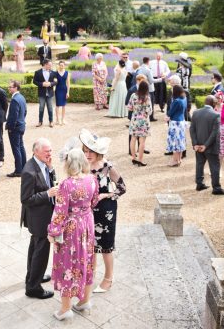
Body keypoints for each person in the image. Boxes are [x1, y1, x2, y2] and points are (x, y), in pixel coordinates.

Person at [47, 148, 98, 320]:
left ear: (68, 163)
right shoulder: (92, 179)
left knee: (67, 263)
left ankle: (65, 309)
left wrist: (52, 231)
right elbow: (94, 201)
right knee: (87, 261)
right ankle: (84, 301)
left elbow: (60, 212)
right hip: (87, 223)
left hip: (72, 227)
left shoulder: (66, 184)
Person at [79, 129, 124, 295]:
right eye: (85, 151)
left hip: (106, 211)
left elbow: (122, 188)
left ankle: (109, 278)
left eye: (91, 151)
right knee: (90, 245)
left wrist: (105, 194)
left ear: (98, 152)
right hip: (88, 211)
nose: (88, 154)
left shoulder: (107, 166)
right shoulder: (82, 166)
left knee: (106, 246)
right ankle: (91, 273)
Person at [21, 138, 58, 300]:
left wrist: (51, 169)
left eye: (50, 150)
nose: (49, 154)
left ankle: (33, 276)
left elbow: (50, 180)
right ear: (36, 151)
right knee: (41, 252)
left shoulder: (43, 164)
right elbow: (26, 199)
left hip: (43, 215)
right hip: (38, 218)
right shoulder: (29, 171)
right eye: (46, 151)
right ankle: (33, 287)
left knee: (34, 247)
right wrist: (47, 194)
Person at [190, 95, 224, 195]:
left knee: (199, 164)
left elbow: (192, 130)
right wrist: (206, 145)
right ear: (213, 103)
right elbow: (214, 133)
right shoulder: (215, 115)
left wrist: (195, 144)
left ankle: (199, 184)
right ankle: (216, 188)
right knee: (214, 166)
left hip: (198, 145)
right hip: (211, 147)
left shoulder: (196, 113)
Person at [5, 80, 28, 177]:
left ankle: (18, 170)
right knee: (21, 147)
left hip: (15, 128)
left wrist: (10, 127)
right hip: (21, 126)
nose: (9, 88)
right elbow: (25, 112)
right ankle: (24, 167)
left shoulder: (15, 99)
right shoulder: (21, 97)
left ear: (15, 88)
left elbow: (13, 116)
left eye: (10, 87)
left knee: (16, 149)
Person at [127, 81, 152, 166]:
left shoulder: (133, 96)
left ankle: (134, 158)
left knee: (133, 139)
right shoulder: (147, 98)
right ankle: (140, 160)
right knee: (142, 142)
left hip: (134, 120)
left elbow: (129, 108)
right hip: (144, 121)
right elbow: (149, 111)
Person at [165, 85, 188, 166]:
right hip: (182, 121)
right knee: (180, 141)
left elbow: (171, 112)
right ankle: (179, 159)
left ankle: (175, 161)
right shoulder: (184, 98)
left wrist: (167, 117)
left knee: (175, 142)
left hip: (175, 123)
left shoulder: (176, 101)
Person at [33, 60, 57, 127]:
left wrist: (50, 83)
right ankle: (40, 122)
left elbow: (56, 82)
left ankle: (51, 121)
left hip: (50, 93)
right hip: (41, 93)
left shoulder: (53, 72)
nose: (50, 66)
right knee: (41, 107)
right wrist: (42, 84)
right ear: (45, 65)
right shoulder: (37, 72)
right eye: (49, 65)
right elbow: (34, 81)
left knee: (50, 108)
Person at [136, 57, 157, 121]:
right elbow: (151, 81)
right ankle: (151, 117)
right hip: (149, 88)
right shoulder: (148, 69)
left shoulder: (139, 68)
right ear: (148, 61)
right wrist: (161, 79)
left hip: (140, 87)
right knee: (150, 103)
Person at [54, 60, 70, 125]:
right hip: (58, 89)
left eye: (62, 65)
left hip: (64, 90)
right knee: (57, 105)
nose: (61, 66)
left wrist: (68, 92)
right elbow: (54, 82)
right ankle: (57, 120)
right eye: (60, 65)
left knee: (63, 105)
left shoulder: (67, 73)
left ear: (64, 66)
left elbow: (68, 83)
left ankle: (63, 119)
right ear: (59, 65)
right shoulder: (56, 73)